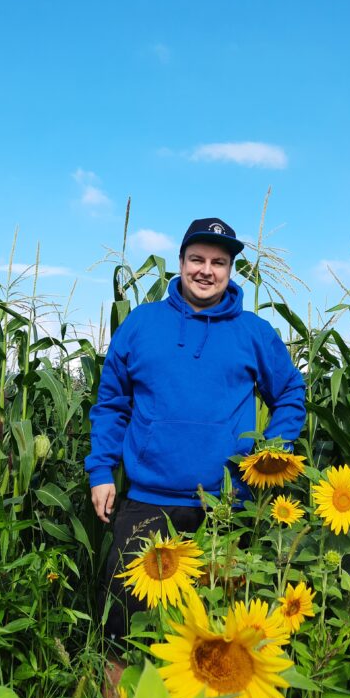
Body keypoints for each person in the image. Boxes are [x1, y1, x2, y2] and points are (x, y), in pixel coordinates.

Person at [86, 217, 307, 647]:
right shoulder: (141, 324)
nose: (206, 270)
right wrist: (100, 471)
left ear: (230, 270)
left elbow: (291, 394)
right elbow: (112, 403)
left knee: (219, 630)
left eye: (218, 262)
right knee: (122, 627)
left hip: (225, 507)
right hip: (146, 501)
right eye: (197, 259)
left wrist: (268, 457)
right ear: (181, 262)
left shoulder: (254, 333)